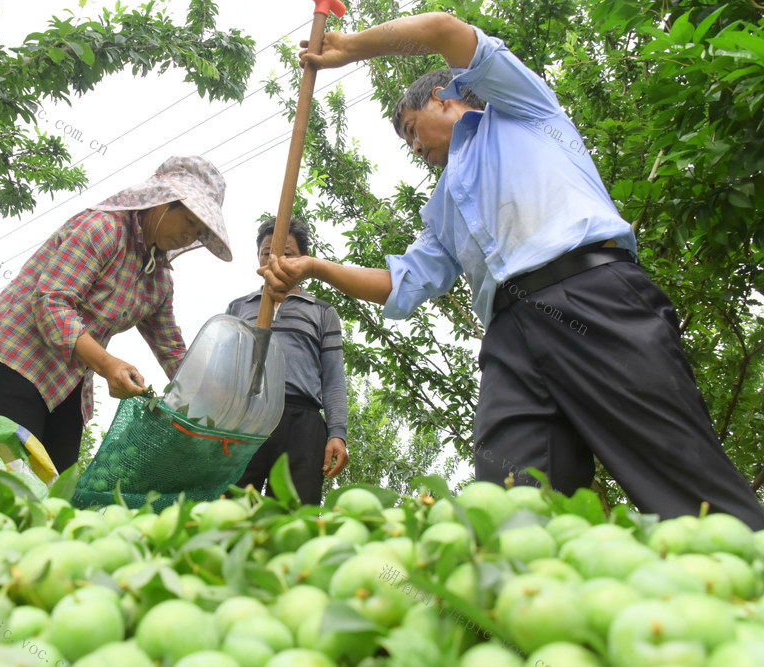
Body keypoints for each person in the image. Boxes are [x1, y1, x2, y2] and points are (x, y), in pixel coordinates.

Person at [260, 12, 764, 528]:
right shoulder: (441, 207)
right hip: (509, 343)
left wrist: (351, 48)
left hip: (591, 296)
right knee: (509, 513)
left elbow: (440, 29)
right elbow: (402, 283)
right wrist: (316, 268)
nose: (414, 147)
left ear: (445, 96)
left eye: (412, 129)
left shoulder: (521, 108)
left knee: (683, 482)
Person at [0, 156, 232, 473]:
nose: (189, 236)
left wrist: (212, 396)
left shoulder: (157, 279)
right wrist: (109, 365)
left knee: (56, 480)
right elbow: (52, 302)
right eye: (189, 222)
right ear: (163, 202)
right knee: (14, 472)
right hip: (21, 357)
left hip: (68, 379)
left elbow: (171, 348)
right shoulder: (103, 229)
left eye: (199, 231)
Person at [225, 216, 348, 504]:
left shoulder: (321, 312)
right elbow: (224, 372)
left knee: (292, 514)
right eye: (267, 252)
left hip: (301, 420)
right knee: (232, 509)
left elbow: (333, 380)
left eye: (286, 253)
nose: (274, 259)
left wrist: (338, 434)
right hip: (245, 418)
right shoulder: (238, 307)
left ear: (303, 259)